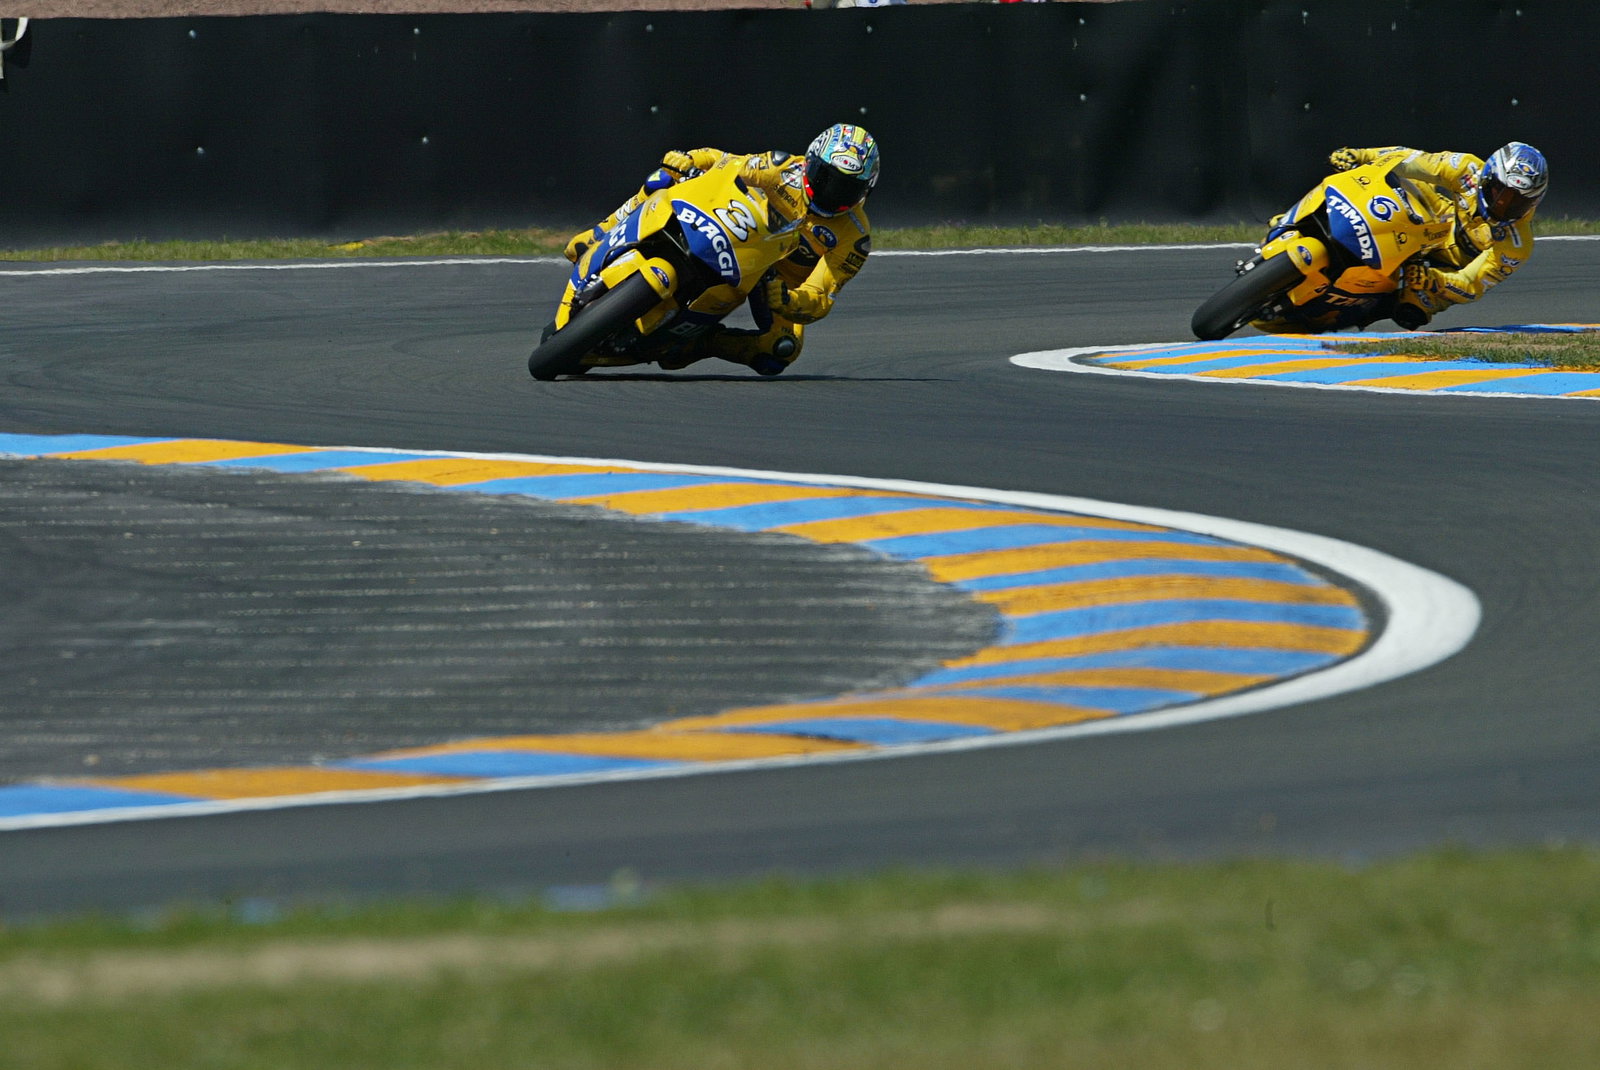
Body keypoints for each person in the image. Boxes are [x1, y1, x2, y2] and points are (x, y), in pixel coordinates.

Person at [564, 124, 879, 375]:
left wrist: (788, 298)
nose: (830, 193)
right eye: (824, 178)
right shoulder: (782, 167)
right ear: (810, 161)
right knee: (664, 178)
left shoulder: (855, 237)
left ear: (865, 190)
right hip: (738, 232)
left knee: (779, 350)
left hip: (774, 279)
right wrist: (690, 159)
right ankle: (602, 230)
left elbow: (823, 295)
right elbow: (725, 162)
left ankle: (700, 342)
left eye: (846, 188)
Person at [1326, 142, 1548, 329]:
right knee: (1399, 181)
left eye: (1519, 203)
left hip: (1446, 272)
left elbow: (1471, 285)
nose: (1503, 205)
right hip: (1439, 221)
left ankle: (1347, 309)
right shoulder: (1467, 169)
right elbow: (1410, 159)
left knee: (1411, 312)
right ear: (1488, 177)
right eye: (1500, 192)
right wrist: (1362, 156)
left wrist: (1434, 280)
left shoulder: (1517, 244)